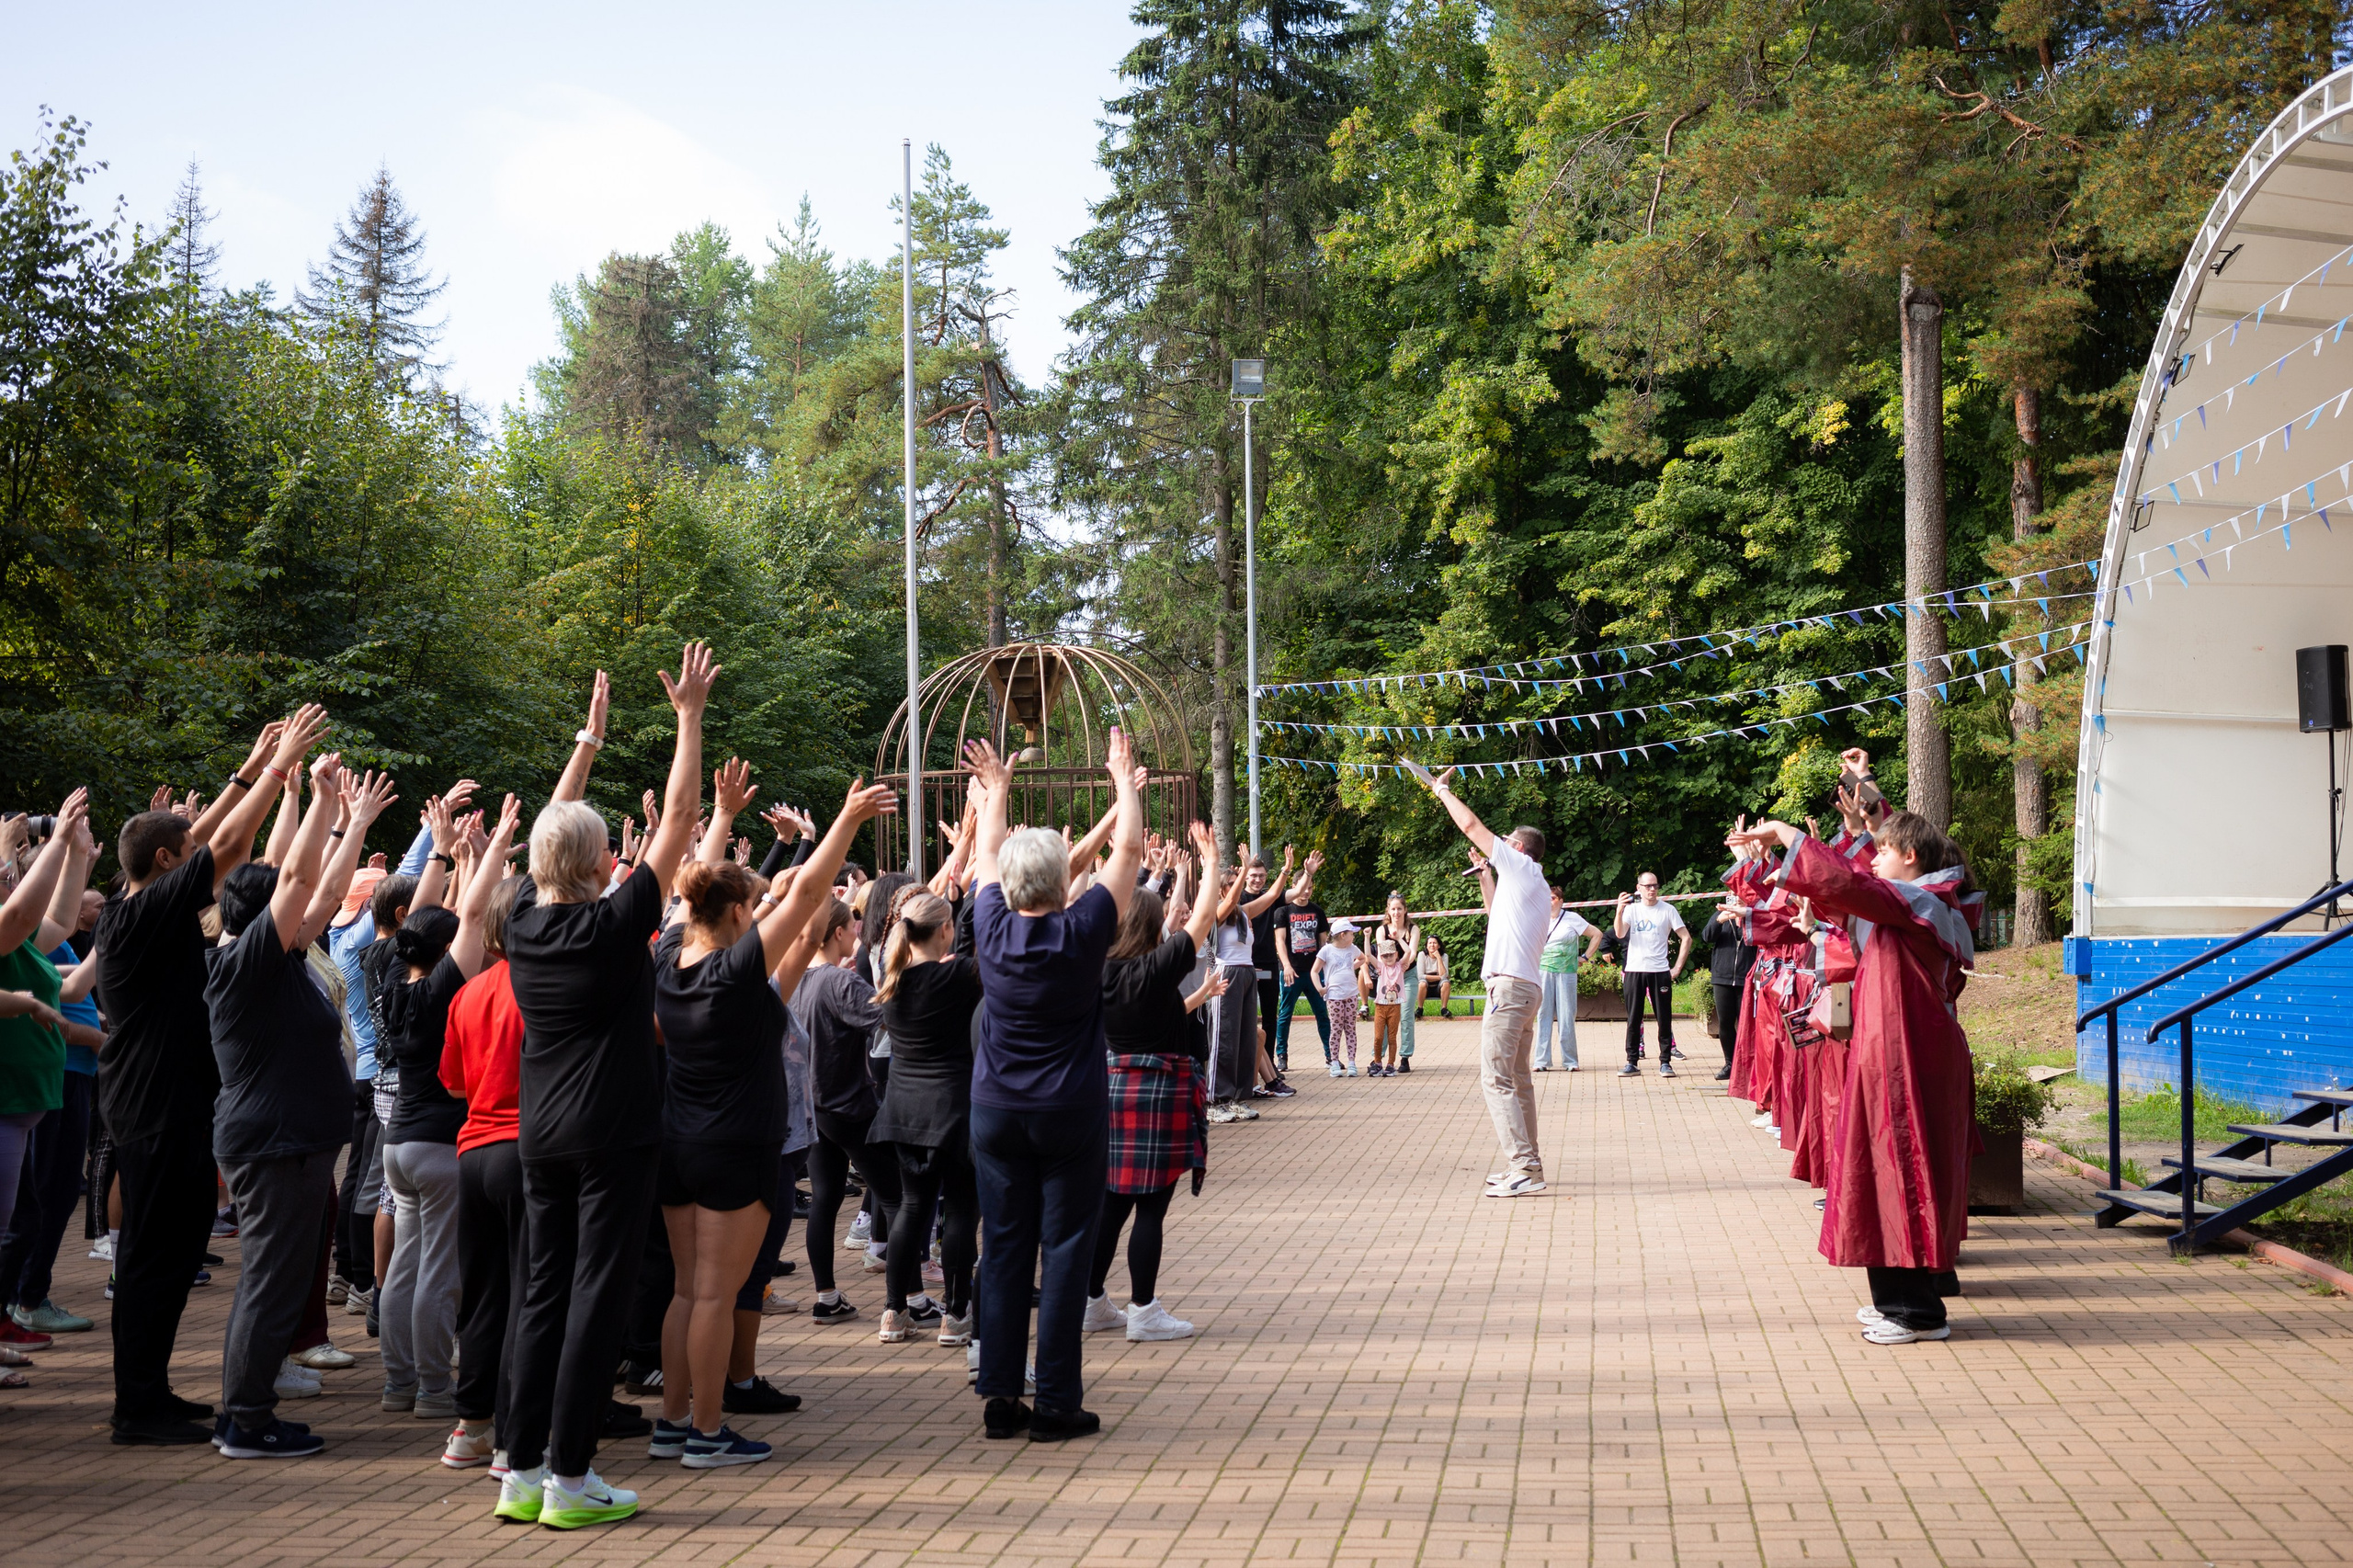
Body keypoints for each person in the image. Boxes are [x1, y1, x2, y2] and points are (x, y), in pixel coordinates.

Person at [495, 653, 710, 1530]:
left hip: (539, 1133)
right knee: (595, 1296)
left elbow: (551, 828)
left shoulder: (519, 921)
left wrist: (588, 742)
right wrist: (689, 716)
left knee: (540, 1293)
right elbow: (684, 820)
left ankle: (519, 1470)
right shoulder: (616, 921)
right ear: (599, 864)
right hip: (613, 1131)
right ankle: (571, 1477)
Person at [99, 707, 328, 1445]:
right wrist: (275, 768)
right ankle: (136, 1404)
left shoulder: (139, 908)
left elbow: (209, 837)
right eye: (184, 848)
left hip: (169, 1105)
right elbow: (227, 845)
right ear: (167, 865)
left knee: (166, 1256)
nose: (199, 852)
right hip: (157, 1106)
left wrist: (245, 772)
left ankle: (151, 1391)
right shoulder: (140, 917)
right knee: (151, 1258)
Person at [653, 762, 891, 1468]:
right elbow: (810, 893)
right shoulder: (734, 974)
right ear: (737, 916)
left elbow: (689, 887)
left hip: (678, 1143)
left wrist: (722, 820)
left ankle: (672, 1424)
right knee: (715, 1299)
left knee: (685, 1291)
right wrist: (845, 820)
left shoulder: (670, 963)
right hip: (736, 1148)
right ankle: (705, 1431)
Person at [1729, 810, 1979, 1344]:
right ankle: (1905, 1301)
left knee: (1896, 1172)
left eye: (1883, 851)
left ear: (1910, 858)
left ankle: (1914, 1311)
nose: (1874, 860)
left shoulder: (1920, 903)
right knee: (1884, 1170)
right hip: (1896, 1053)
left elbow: (1848, 882)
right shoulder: (1911, 906)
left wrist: (1793, 839)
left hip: (1904, 1057)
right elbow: (1846, 892)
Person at [207, 756, 395, 1457]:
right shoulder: (244, 964)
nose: (310, 910)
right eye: (290, 907)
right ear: (262, 919)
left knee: (277, 1283)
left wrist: (357, 824)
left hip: (292, 1143)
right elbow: (295, 878)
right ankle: (246, 1419)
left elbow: (319, 891)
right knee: (269, 1283)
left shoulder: (283, 955)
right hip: (274, 1144)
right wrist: (316, 798)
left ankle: (245, 1412)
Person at [962, 727, 1142, 1443]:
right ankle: (1058, 1403)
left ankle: (1001, 1395)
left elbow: (982, 854)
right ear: (1065, 883)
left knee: (1003, 1246)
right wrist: (1124, 783)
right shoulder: (1085, 927)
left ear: (1010, 885)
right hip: (1068, 1110)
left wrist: (998, 794)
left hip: (995, 1111)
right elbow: (1126, 854)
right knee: (1065, 1248)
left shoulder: (989, 924)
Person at [376, 790, 506, 1425]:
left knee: (405, 1267)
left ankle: (398, 1382)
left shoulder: (391, 973)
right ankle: (432, 1387)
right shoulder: (443, 991)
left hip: (397, 1143)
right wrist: (496, 844)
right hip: (438, 1145)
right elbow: (474, 912)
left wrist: (449, 853)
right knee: (439, 1273)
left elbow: (430, 915)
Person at [1086, 820, 1221, 1342]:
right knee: (1150, 1207)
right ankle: (1143, 1312)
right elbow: (1205, 916)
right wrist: (1208, 865)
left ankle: (1091, 1301)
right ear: (1153, 926)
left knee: (1112, 1202)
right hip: (1159, 1087)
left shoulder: (1097, 969)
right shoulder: (1156, 967)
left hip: (1113, 1085)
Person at [1410, 767, 1551, 1198]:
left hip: (1508, 990)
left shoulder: (1521, 864)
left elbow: (1471, 826)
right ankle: (1530, 1166)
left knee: (1495, 1079)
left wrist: (1441, 790)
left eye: (1505, 840)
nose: (1499, 844)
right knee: (1518, 1080)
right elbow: (1496, 917)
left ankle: (1524, 1168)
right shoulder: (1532, 884)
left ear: (1517, 846)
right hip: (1523, 989)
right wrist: (1486, 877)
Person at [0, 792, 97, 1368]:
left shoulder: (17, 942)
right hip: (5, 1103)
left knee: (20, 1218)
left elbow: (54, 920)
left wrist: (76, 853)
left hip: (20, 1106)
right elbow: (16, 918)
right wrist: (52, 842)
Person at [437, 871, 525, 1471]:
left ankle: (470, 1426)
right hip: (528, 1150)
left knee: (485, 1294)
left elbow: (454, 1080)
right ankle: (518, 1437)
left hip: (473, 1151)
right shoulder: (545, 986)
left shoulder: (468, 992)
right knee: (531, 1296)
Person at [870, 887, 980, 1346]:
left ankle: (894, 1311)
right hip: (952, 1110)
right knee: (959, 1212)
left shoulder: (890, 978)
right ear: (945, 930)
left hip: (903, 1110)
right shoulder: (955, 976)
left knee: (911, 1209)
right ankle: (955, 1316)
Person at [791, 897, 903, 1323]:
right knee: (896, 1199)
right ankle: (906, 1299)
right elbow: (889, 1017)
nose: (857, 931)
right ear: (837, 932)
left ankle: (827, 1296)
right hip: (850, 1107)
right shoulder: (840, 983)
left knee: (826, 1199)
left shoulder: (798, 977)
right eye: (852, 925)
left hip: (815, 1107)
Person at [1205, 846, 1292, 1118]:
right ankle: (1215, 1100)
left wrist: (1286, 869)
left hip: (1246, 973)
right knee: (1225, 1038)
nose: (1238, 887)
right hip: (1227, 974)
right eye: (1232, 884)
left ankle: (1238, 1097)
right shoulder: (1217, 912)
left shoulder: (1243, 912)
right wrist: (1242, 870)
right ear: (1222, 890)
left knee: (1245, 1038)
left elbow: (1274, 895)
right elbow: (1230, 902)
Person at [1613, 875, 1690, 1078]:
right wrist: (1619, 909)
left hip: (1659, 971)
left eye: (1655, 885)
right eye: (1647, 886)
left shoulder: (1668, 910)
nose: (1652, 889)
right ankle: (1632, 1062)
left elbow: (1686, 937)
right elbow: (1620, 934)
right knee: (1633, 1017)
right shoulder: (1631, 909)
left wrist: (1677, 968)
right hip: (1634, 970)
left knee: (1663, 1018)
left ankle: (1665, 1062)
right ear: (1638, 888)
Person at [1531, 890, 1599, 1072]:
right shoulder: (1538, 918)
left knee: (1566, 1015)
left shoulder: (1572, 918)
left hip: (1567, 972)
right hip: (1543, 972)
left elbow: (1597, 934)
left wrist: (1585, 957)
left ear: (1561, 901)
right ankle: (1541, 1061)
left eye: (1552, 898)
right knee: (1543, 1015)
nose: (1548, 902)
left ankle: (1570, 1061)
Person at [1273, 874, 1330, 1069]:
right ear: (1294, 886)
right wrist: (1286, 965)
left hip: (1314, 972)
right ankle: (1282, 1055)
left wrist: (1326, 969)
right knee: (1285, 1014)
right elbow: (1279, 941)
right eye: (1303, 887)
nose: (1307, 891)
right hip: (1292, 971)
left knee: (1322, 1013)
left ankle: (1330, 1054)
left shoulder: (1317, 911)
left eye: (1310, 888)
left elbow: (1324, 943)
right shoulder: (1283, 910)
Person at [1373, 895, 1422, 1072]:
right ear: (1388, 911)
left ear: (1405, 910)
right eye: (1393, 909)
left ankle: (1405, 1057)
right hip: (1388, 977)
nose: (1396, 912)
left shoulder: (1413, 929)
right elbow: (1381, 954)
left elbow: (1413, 951)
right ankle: (1378, 1058)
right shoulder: (1382, 930)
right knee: (1385, 1015)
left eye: (1399, 909)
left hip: (1407, 975)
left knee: (1406, 1014)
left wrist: (1406, 962)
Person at [1308, 920, 1362, 1077]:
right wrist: (1320, 988)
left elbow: (1363, 958)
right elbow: (1314, 971)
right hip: (1334, 996)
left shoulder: (1352, 949)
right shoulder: (1327, 951)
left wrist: (1350, 967)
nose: (1353, 936)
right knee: (1336, 1029)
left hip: (1351, 993)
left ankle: (1352, 1062)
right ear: (1343, 935)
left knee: (1350, 1028)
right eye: (1351, 934)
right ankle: (1334, 1061)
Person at [1364, 937, 1408, 1076]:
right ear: (1381, 957)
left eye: (1391, 954)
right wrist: (1366, 937)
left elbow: (1408, 951)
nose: (1388, 957)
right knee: (1378, 1037)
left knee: (1392, 1037)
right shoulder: (1380, 967)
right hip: (1380, 1006)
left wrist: (1399, 939)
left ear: (1396, 955)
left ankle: (1390, 1064)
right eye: (1385, 955)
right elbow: (1368, 954)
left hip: (1395, 1006)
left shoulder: (1400, 966)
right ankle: (1377, 1063)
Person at [1419, 936, 1450, 1021]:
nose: (1432, 945)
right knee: (1422, 983)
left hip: (1438, 988)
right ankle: (1420, 1009)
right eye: (1430, 943)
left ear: (1439, 945)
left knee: (1446, 983)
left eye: (1434, 943)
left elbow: (1444, 975)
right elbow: (1420, 975)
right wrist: (1439, 977)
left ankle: (1444, 1009)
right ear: (1426, 945)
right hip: (1426, 987)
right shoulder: (1422, 955)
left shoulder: (1444, 956)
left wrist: (1439, 958)